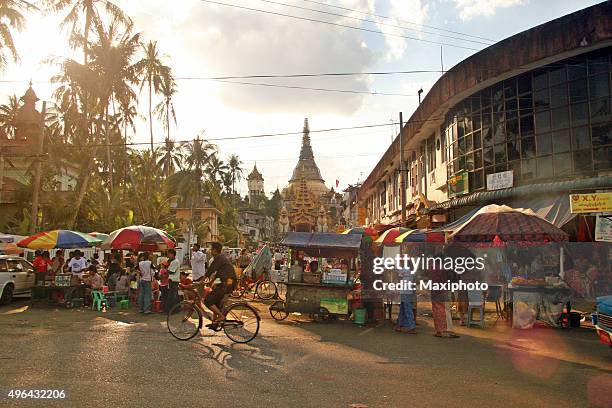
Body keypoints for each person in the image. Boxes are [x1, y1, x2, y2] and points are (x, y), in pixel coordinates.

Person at [204, 242, 237, 329]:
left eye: (211, 249)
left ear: (215, 250)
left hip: (228, 283)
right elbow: (218, 273)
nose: (210, 251)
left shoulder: (219, 258)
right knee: (215, 302)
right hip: (227, 282)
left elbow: (210, 270)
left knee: (207, 301)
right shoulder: (221, 258)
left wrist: (200, 281)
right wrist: (211, 282)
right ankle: (215, 323)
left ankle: (221, 316)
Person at [165, 249, 181, 313]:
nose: (168, 255)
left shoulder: (175, 262)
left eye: (168, 254)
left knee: (172, 296)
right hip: (172, 280)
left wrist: (166, 269)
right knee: (174, 295)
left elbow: (171, 271)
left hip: (174, 280)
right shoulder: (171, 261)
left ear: (172, 254)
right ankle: (175, 309)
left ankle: (172, 310)